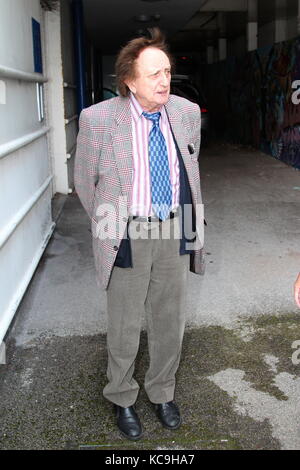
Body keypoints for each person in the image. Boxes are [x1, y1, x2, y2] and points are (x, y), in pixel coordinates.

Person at [74, 28, 205, 441]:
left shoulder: (185, 113)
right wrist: (110, 227)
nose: (164, 81)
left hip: (174, 224)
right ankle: (123, 397)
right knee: (125, 323)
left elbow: (190, 167)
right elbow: (84, 182)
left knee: (170, 319)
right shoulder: (98, 120)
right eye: (154, 74)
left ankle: (162, 392)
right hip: (125, 227)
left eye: (166, 71)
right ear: (129, 80)